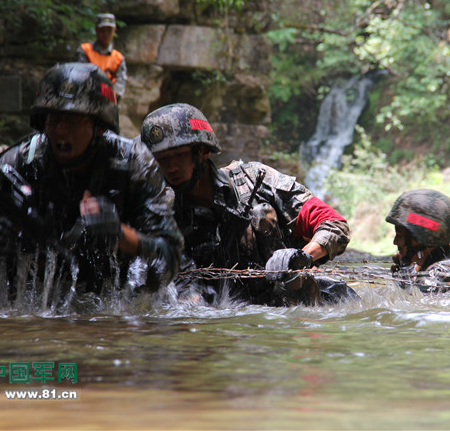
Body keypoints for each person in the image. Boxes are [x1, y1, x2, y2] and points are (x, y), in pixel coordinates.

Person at [0, 63, 182, 306]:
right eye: (54, 119)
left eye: (73, 120)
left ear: (99, 126)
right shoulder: (19, 164)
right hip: (23, 309)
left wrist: (122, 235)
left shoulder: (133, 166)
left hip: (104, 310)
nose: (60, 130)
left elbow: (170, 256)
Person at [139, 103, 357, 306]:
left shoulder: (257, 181)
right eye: (162, 159)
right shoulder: (165, 215)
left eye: (179, 155)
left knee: (262, 215)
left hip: (297, 310)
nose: (171, 167)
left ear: (203, 151)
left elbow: (335, 225)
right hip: (230, 323)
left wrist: (300, 256)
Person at [77, 13, 127, 101]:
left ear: (114, 30)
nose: (105, 34)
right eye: (102, 30)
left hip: (109, 101)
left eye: (109, 30)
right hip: (86, 98)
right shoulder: (85, 50)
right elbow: (80, 76)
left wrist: (112, 95)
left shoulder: (118, 58)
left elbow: (120, 83)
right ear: (96, 30)